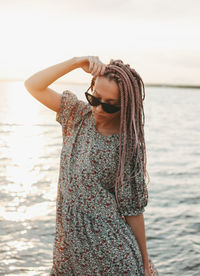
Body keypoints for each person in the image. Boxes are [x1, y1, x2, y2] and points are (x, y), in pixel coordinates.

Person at [24, 56, 158, 276]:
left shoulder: (126, 145)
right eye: (94, 98)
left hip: (113, 258)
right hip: (68, 253)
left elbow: (133, 209)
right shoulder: (76, 115)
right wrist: (77, 62)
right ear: (91, 88)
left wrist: (145, 262)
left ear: (125, 106)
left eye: (110, 105)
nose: (99, 109)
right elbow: (33, 85)